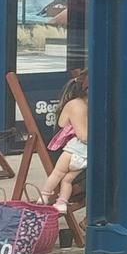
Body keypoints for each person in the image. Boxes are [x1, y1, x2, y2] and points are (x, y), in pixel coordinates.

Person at [38, 69, 88, 210]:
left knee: (65, 178)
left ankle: (59, 202)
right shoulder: (78, 105)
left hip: (80, 156)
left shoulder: (85, 105)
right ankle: (45, 196)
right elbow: (83, 136)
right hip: (72, 153)